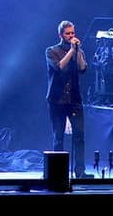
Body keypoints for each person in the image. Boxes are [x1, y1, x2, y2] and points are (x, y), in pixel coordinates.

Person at [46, 20, 91, 179]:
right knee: (58, 136)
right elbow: (59, 67)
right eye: (68, 33)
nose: (71, 36)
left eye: (73, 33)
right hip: (57, 100)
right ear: (60, 35)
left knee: (79, 135)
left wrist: (77, 52)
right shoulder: (51, 51)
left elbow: (82, 68)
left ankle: (80, 172)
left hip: (74, 100)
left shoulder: (79, 51)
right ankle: (58, 173)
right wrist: (71, 51)